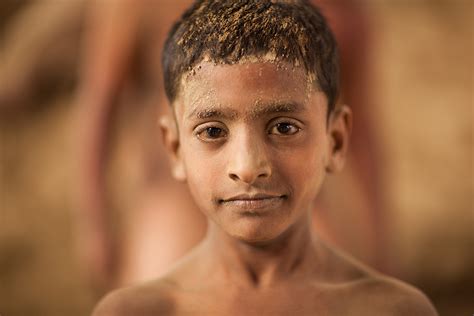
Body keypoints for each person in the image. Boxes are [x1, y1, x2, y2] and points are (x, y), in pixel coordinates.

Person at [92, 1, 437, 315]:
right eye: (213, 130)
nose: (246, 166)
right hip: (172, 190)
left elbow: (364, 131)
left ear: (335, 140)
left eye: (284, 126)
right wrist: (96, 222)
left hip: (300, 188)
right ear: (173, 145)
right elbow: (100, 102)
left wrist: (380, 247)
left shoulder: (342, 9)